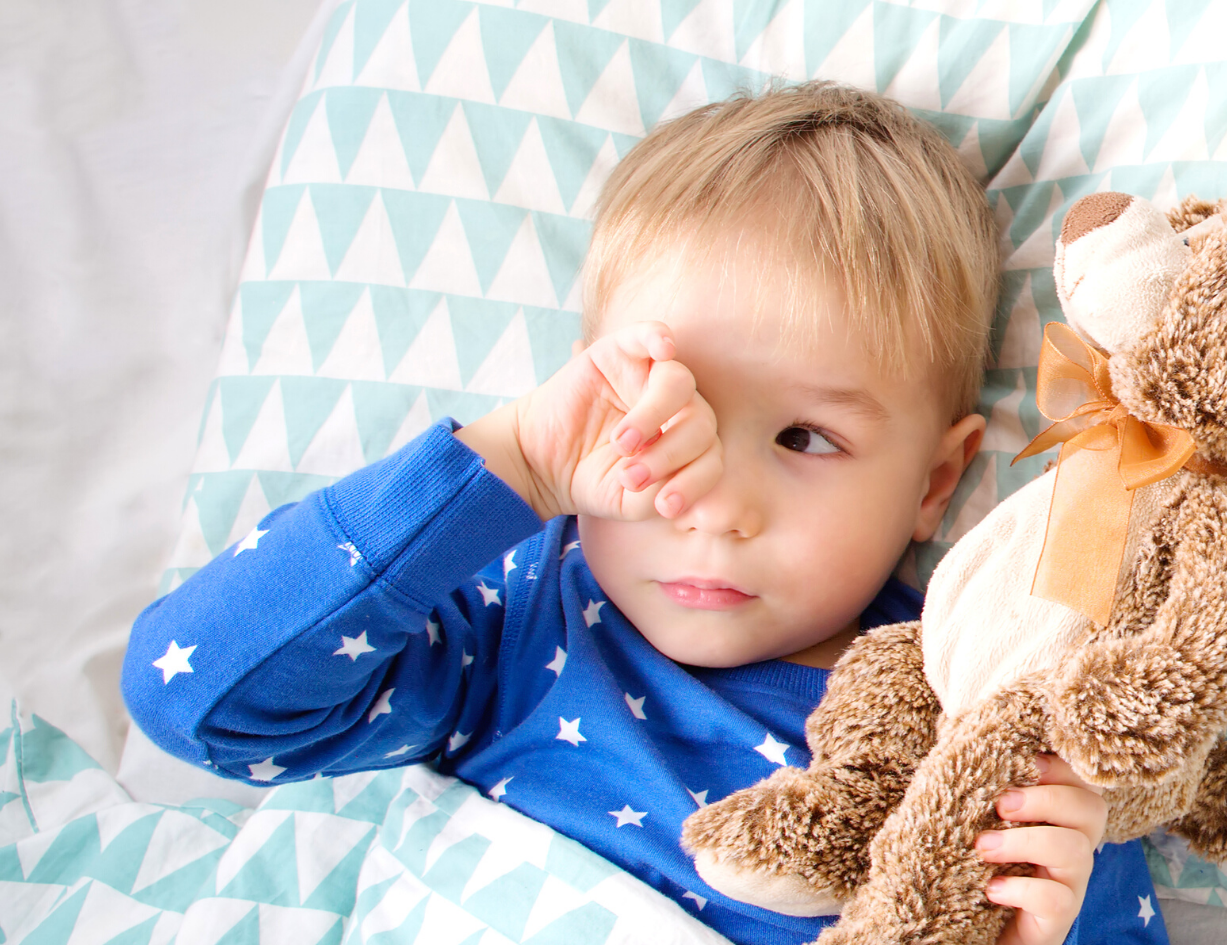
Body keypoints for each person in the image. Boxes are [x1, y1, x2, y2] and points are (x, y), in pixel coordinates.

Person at [123, 81, 1168, 945]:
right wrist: (514, 466)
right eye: (667, 417)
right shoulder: (519, 622)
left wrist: (1061, 915)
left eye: (805, 439)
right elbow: (203, 707)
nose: (711, 506)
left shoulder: (981, 715)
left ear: (934, 487)